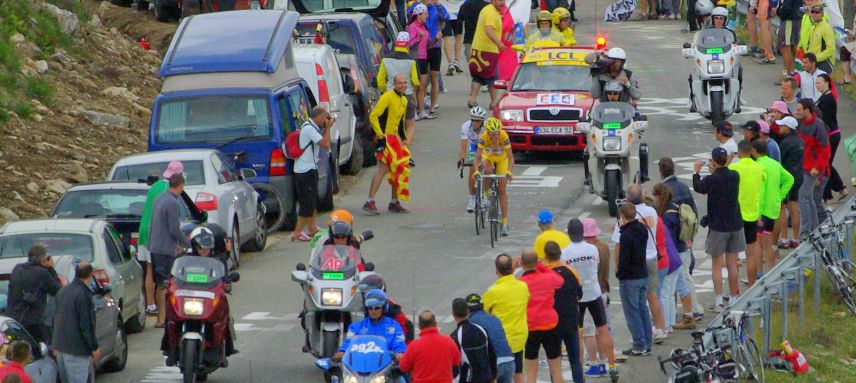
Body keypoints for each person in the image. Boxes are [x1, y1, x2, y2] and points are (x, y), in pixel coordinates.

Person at [561, 221, 619, 381]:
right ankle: (612, 366)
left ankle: (579, 369)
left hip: (576, 297)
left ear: (569, 234)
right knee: (603, 330)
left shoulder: (565, 253)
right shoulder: (593, 249)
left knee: (578, 335)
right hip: (594, 293)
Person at [610, 185, 666, 343]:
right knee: (652, 294)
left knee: (634, 304)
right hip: (652, 257)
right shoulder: (652, 212)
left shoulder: (625, 219)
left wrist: (617, 267)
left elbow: (618, 244)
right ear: (642, 196)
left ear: (627, 198)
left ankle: (639, 338)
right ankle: (660, 328)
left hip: (635, 261)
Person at [693, 148, 744, 313]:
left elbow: (699, 187)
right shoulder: (735, 176)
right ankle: (734, 297)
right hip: (735, 224)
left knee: (716, 264)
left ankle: (718, 301)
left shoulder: (712, 179)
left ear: (714, 161)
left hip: (718, 227)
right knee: (732, 264)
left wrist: (696, 172)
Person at [659, 158, 702, 322]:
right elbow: (693, 213)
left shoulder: (664, 190)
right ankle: (692, 309)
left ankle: (674, 316)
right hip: (685, 238)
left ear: (661, 171)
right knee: (684, 276)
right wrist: (690, 236)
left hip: (671, 241)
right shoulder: (684, 187)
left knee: (671, 282)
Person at [138, 160, 183, 315]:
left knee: (149, 270)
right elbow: (171, 224)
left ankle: (150, 305)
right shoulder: (168, 191)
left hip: (143, 230)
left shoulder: (155, 186)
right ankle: (161, 309)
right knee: (162, 276)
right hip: (156, 234)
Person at [363, 75, 412, 214]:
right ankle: (370, 201)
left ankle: (394, 202)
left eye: (404, 83)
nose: (402, 85)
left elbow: (401, 122)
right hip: (384, 138)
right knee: (383, 169)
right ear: (394, 84)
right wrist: (380, 135)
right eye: (399, 83)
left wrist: (404, 139)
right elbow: (374, 115)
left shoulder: (404, 99)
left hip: (394, 139)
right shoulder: (387, 96)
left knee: (398, 169)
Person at [149, 173, 193, 327]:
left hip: (154, 247)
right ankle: (162, 318)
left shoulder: (159, 198)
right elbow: (174, 229)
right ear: (181, 185)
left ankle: (160, 317)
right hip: (165, 249)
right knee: (164, 284)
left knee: (160, 283)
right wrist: (186, 242)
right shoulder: (172, 203)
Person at [540, 242, 585, 383]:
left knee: (554, 361)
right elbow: (580, 294)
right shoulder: (571, 271)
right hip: (571, 320)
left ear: (546, 256)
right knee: (575, 359)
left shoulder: (544, 274)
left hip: (552, 322)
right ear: (560, 254)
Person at [517, 250, 564, 383]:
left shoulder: (521, 283)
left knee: (531, 370)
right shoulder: (548, 278)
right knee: (556, 368)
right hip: (550, 324)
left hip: (531, 327)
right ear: (537, 262)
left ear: (522, 263)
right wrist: (542, 266)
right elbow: (560, 281)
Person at [482, 254, 529, 383]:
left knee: (497, 375)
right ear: (512, 269)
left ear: (497, 271)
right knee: (519, 371)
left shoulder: (493, 291)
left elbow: (483, 310)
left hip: (500, 340)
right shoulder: (523, 287)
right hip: (519, 336)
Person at [751, 140, 794, 272]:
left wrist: (757, 212)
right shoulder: (775, 164)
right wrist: (781, 195)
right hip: (773, 208)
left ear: (755, 151)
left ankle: (759, 273)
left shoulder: (757, 166)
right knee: (768, 241)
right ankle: (771, 271)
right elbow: (790, 179)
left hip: (761, 209)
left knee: (758, 243)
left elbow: (761, 190)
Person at [615, 203, 652, 356]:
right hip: (642, 273)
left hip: (630, 277)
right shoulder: (642, 229)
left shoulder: (626, 235)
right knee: (643, 308)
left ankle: (639, 343)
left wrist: (619, 274)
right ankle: (647, 342)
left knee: (632, 311)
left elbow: (623, 259)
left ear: (622, 217)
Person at [728, 140, 766, 287]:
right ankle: (751, 286)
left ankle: (734, 291)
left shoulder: (734, 167)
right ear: (751, 151)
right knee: (751, 254)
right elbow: (764, 178)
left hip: (736, 214)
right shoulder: (759, 167)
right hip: (753, 214)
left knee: (733, 256)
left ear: (739, 152)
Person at [53, 262, 98, 383]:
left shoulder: (63, 291)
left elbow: (55, 318)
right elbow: (86, 324)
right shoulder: (83, 294)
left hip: (61, 347)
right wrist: (93, 347)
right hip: (77, 349)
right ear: (90, 274)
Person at [293, 106, 333, 241]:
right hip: (304, 171)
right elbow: (326, 143)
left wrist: (325, 127)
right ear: (319, 117)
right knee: (307, 204)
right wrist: (328, 128)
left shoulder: (311, 126)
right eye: (325, 117)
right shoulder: (309, 129)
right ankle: (297, 233)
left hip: (311, 168)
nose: (325, 120)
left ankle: (312, 227)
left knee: (313, 200)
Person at [7, 245, 61, 343]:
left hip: (13, 319)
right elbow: (57, 289)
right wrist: (51, 269)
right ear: (43, 260)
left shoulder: (17, 268)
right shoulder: (42, 273)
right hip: (32, 322)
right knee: (39, 350)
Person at [651, 184, 686, 334]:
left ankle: (665, 324)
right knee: (669, 293)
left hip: (668, 262)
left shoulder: (660, 220)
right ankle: (670, 323)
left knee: (664, 294)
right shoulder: (666, 216)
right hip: (675, 260)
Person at [335, 289, 407, 360]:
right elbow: (349, 342)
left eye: (377, 308)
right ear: (366, 309)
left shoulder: (394, 326)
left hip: (386, 364)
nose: (373, 311)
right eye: (370, 308)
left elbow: (399, 343)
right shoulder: (355, 327)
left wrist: (400, 353)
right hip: (360, 363)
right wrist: (343, 351)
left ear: (384, 308)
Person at [795, 98, 831, 237]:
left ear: (807, 110)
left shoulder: (819, 126)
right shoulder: (800, 122)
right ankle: (814, 229)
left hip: (812, 168)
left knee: (802, 196)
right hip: (803, 166)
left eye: (799, 110)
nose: (797, 113)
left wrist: (818, 167)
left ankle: (805, 232)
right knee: (808, 197)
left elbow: (825, 150)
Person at [472, 118, 514, 236]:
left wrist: (509, 172)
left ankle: (504, 223)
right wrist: (475, 171)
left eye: (497, 133)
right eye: (492, 134)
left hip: (502, 159)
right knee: (488, 170)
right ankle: (485, 194)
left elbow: (511, 158)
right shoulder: (483, 137)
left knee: (502, 189)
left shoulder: (504, 136)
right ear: (488, 132)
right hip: (488, 157)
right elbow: (477, 157)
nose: (495, 136)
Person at [379, 31, 421, 143]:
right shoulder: (411, 60)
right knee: (410, 124)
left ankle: (395, 149)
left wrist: (386, 90)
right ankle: (406, 149)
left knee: (394, 125)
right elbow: (416, 81)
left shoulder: (386, 59)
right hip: (407, 95)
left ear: (396, 44)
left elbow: (380, 80)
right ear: (408, 44)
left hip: (390, 96)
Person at [399, 309, 460, 383]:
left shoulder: (414, 346)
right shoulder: (449, 341)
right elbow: (457, 361)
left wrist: (400, 358)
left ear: (419, 326)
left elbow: (404, 367)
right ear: (436, 323)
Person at [466, 294, 515, 383]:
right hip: (509, 359)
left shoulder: (471, 323)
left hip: (494, 363)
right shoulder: (494, 318)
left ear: (467, 309)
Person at [815, 74, 849, 202]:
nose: (817, 85)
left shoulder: (827, 99)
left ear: (827, 83)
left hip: (831, 134)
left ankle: (828, 195)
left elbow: (824, 119)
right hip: (832, 133)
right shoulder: (824, 97)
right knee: (826, 163)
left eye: (819, 83)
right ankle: (840, 188)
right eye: (816, 83)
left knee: (824, 164)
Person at [773, 116, 805, 249]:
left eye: (782, 126)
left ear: (788, 128)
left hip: (787, 178)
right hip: (799, 176)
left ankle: (784, 239)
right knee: (794, 208)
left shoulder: (785, 143)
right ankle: (796, 239)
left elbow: (780, 161)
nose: (779, 127)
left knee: (782, 208)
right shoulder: (800, 141)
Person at [467, 0, 506, 109]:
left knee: (478, 76)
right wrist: (499, 44)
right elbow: (489, 30)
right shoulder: (492, 13)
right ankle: (494, 103)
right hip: (488, 51)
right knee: (493, 77)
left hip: (477, 48)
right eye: (499, 0)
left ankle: (472, 99)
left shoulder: (486, 9)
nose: (502, 2)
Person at [450, 299, 496, 383]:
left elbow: (454, 365)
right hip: (486, 377)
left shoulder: (454, 336)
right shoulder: (481, 329)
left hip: (468, 379)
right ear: (468, 311)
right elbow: (491, 354)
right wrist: (493, 376)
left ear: (453, 314)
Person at [460, 106, 487, 212]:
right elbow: (463, 146)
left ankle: (485, 194)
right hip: (474, 146)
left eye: (477, 121)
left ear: (482, 121)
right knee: (472, 168)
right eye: (473, 120)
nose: (474, 123)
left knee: (485, 165)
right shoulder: (465, 127)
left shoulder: (487, 127)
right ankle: (471, 199)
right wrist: (462, 160)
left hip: (486, 146)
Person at [408, 4, 432, 120]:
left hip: (424, 57)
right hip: (415, 58)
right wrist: (418, 37)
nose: (427, 16)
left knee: (422, 86)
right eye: (425, 14)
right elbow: (409, 43)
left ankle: (421, 110)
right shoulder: (413, 27)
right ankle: (412, 112)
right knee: (415, 86)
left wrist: (435, 40)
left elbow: (426, 44)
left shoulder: (424, 27)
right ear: (419, 15)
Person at [800, 4, 835, 73]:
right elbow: (810, 46)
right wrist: (808, 58)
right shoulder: (813, 27)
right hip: (813, 61)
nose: (814, 14)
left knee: (818, 82)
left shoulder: (827, 28)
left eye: (817, 12)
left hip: (825, 62)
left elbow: (831, 49)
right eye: (812, 12)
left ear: (822, 14)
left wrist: (815, 58)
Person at [777, 0, 802, 80]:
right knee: (792, 46)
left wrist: (778, 11)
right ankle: (793, 72)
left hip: (789, 20)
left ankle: (787, 74)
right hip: (796, 18)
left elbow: (787, 8)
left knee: (786, 47)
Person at [443, 5, 465, 77]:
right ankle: (456, 60)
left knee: (447, 38)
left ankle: (450, 63)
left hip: (445, 12)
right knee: (458, 37)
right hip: (457, 12)